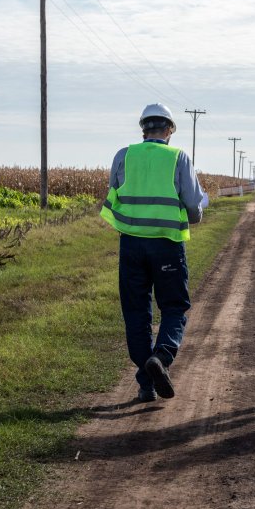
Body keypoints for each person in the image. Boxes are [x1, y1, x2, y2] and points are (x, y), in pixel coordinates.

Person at [100, 103, 207, 403]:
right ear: (169, 129)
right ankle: (161, 356)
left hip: (131, 244)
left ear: (143, 128)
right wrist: (198, 211)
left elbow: (115, 191)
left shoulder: (124, 155)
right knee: (173, 307)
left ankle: (145, 383)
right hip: (168, 245)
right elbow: (193, 208)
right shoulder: (178, 157)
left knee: (136, 311)